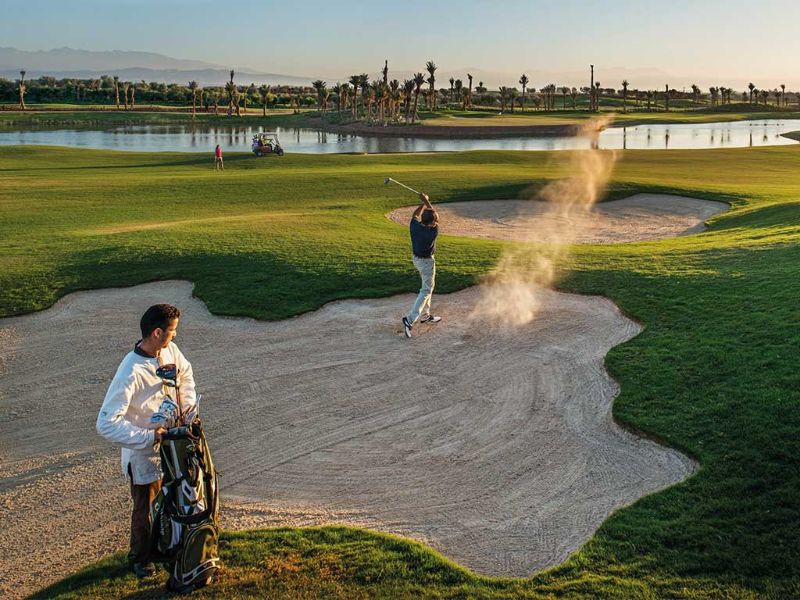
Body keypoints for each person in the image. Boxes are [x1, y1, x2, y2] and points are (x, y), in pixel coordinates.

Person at [96, 304, 197, 578]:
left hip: (173, 442)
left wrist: (186, 410)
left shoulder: (169, 352)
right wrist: (147, 437)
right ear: (156, 332)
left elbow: (185, 376)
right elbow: (106, 423)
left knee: (177, 496)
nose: (175, 336)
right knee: (146, 509)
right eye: (172, 331)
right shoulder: (130, 371)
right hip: (144, 453)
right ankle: (140, 558)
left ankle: (171, 545)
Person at [402, 192, 442, 338]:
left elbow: (414, 215)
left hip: (416, 259)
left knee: (428, 287)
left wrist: (423, 203)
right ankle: (409, 319)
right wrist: (427, 202)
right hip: (426, 262)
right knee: (426, 290)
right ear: (432, 222)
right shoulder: (433, 232)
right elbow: (436, 218)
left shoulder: (415, 225)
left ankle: (426, 315)